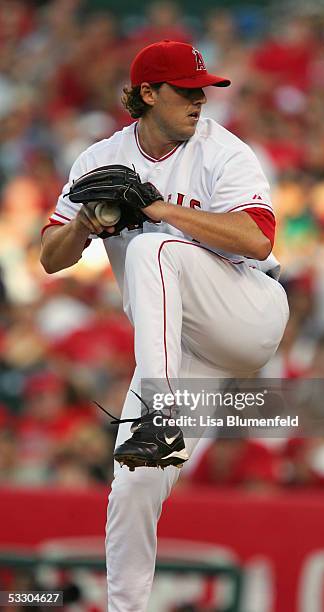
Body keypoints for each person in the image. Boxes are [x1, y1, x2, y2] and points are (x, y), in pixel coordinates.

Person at [40, 40, 289, 612]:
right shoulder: (100, 159)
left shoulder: (224, 152)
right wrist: (84, 221)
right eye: (186, 90)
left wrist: (159, 209)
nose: (200, 100)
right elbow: (51, 258)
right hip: (179, 353)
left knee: (156, 250)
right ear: (147, 94)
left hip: (246, 313)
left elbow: (258, 239)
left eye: (203, 90)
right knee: (134, 481)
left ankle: (158, 412)